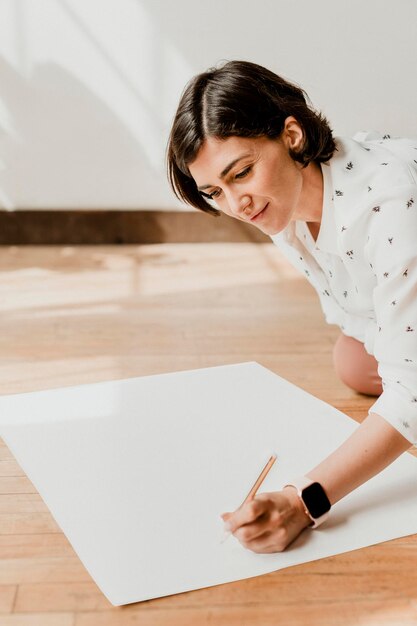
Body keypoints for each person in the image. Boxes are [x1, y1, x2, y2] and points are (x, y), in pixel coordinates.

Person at [166, 60, 417, 553]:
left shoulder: (389, 204)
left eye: (242, 172)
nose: (237, 204)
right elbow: (353, 313)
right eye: (215, 191)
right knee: (352, 362)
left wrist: (305, 501)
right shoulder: (283, 202)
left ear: (293, 134)